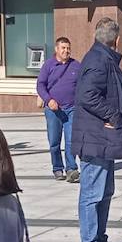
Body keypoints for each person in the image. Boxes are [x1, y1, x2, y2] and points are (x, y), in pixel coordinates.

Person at [72, 17, 122, 242]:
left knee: (104, 192)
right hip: (94, 139)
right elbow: (87, 95)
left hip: (103, 140)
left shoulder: (102, 59)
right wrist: (113, 115)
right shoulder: (99, 61)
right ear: (116, 40)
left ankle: (99, 239)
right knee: (92, 193)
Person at [37, 37, 80, 182]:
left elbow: (83, 84)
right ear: (56, 49)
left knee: (71, 140)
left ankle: (71, 169)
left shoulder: (76, 65)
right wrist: (49, 100)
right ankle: (57, 168)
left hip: (71, 109)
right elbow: (40, 85)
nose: (66, 51)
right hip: (53, 111)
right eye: (63, 48)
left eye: (68, 48)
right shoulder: (48, 65)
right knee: (54, 142)